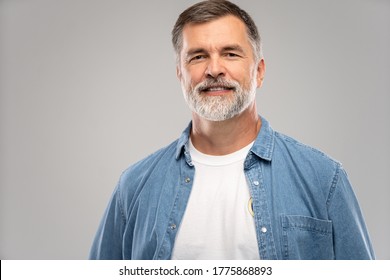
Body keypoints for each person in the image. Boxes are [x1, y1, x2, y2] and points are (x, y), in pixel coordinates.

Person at [89, 0, 374, 260]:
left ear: (259, 71)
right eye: (198, 56)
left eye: (230, 53)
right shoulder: (134, 187)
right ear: (180, 73)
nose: (214, 69)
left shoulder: (324, 179)